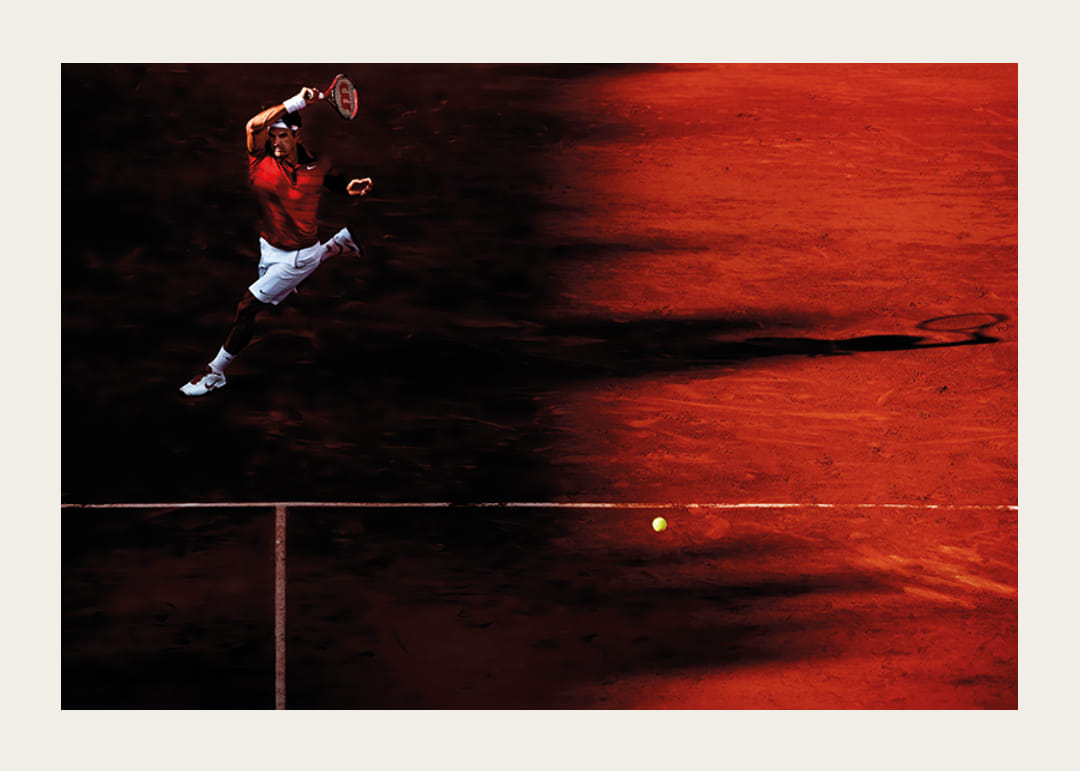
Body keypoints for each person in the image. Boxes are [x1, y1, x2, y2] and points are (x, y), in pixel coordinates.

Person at [180, 85, 374, 396]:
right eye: (272, 137)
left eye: (282, 136)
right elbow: (252, 127)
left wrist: (350, 187)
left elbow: (335, 181)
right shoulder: (260, 160)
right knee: (274, 298)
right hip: (268, 248)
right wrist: (297, 102)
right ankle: (337, 245)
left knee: (247, 307)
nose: (275, 142)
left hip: (300, 255)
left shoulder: (316, 165)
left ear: (297, 136)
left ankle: (215, 372)